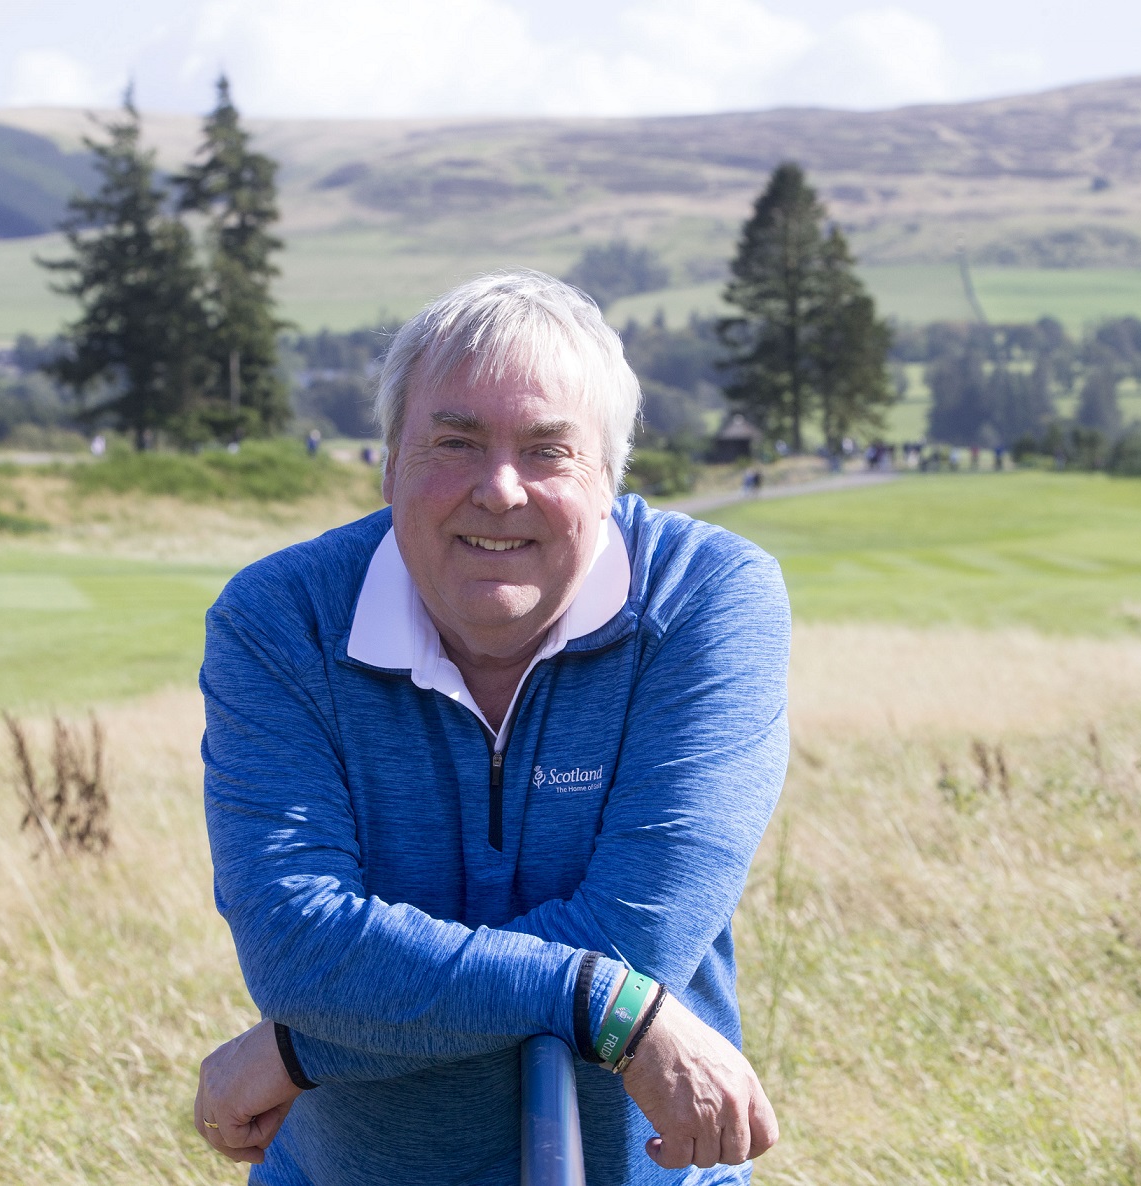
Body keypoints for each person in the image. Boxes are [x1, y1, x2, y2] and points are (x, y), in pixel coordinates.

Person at [195, 270, 790, 1185]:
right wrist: (601, 1001)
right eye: (454, 441)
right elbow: (297, 947)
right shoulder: (280, 619)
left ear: (607, 475)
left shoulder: (708, 596)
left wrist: (310, 1050)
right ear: (390, 459)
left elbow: (643, 933)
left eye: (548, 449)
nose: (499, 489)